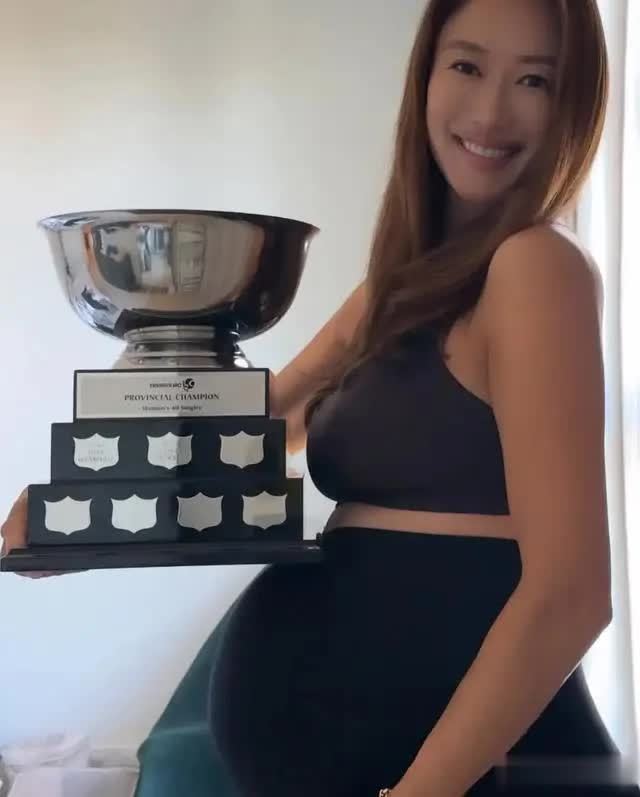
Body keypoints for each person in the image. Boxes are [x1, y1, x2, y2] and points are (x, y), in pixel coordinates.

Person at [1, 0, 635, 795]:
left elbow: (571, 593)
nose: (489, 112)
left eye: (534, 81)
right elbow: (268, 419)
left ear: (572, 104)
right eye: (468, 66)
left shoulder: (537, 267)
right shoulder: (406, 287)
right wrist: (83, 508)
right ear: (426, 76)